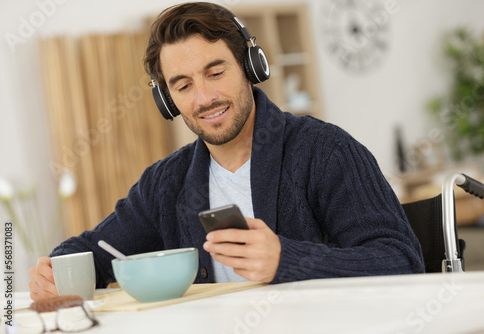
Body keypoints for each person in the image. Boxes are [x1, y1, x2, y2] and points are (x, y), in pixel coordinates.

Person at [29, 2, 424, 301]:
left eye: (215, 72)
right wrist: (54, 270)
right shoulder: (166, 183)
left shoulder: (326, 151)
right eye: (182, 86)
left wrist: (287, 260)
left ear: (250, 66)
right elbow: (91, 251)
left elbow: (401, 261)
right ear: (168, 101)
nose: (205, 98)